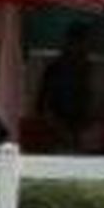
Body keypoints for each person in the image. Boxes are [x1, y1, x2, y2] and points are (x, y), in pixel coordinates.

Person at [35, 23, 94, 153]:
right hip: (57, 132)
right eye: (79, 44)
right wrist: (62, 131)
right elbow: (44, 107)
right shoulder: (55, 70)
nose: (84, 49)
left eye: (85, 45)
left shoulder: (86, 70)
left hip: (80, 134)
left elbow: (90, 102)